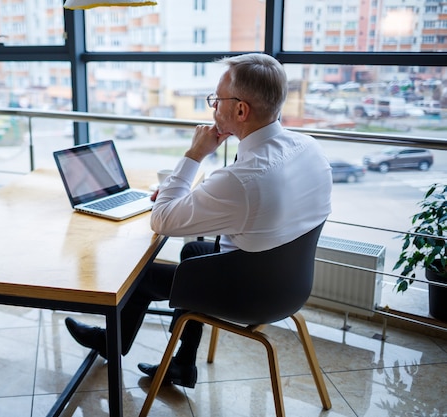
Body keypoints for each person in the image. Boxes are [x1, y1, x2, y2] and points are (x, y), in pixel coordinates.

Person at [64, 53, 332, 388]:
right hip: (291, 285)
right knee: (193, 251)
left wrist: (194, 154)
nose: (212, 108)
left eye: (216, 100)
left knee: (143, 276)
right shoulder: (309, 148)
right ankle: (182, 364)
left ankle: (112, 342)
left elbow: (161, 220)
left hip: (252, 296)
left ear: (240, 110)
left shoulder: (244, 180)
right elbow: (251, 213)